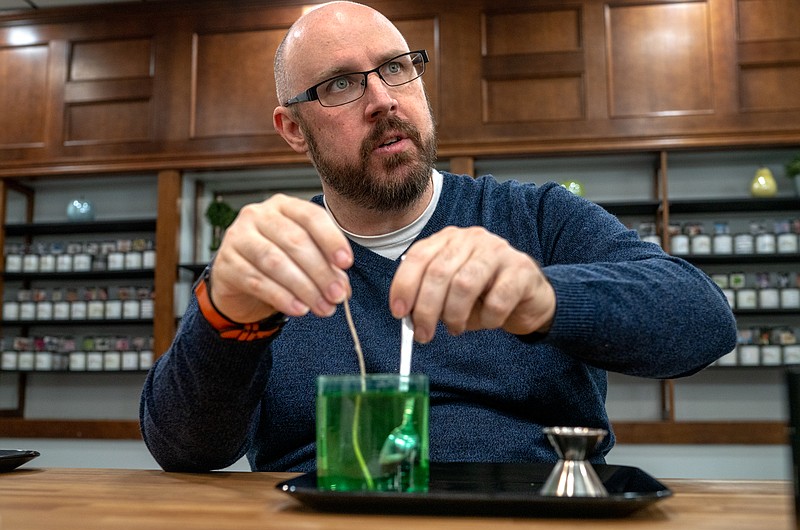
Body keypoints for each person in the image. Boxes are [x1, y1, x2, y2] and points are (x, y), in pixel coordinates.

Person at [139, 1, 736, 472]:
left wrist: (540, 297)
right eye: (342, 84)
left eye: (396, 68)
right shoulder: (274, 257)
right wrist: (227, 318)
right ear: (293, 128)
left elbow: (703, 321)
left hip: (531, 524)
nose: (382, 99)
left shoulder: (535, 218)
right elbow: (184, 448)